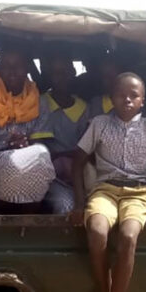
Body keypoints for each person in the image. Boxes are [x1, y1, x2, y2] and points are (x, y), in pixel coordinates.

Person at [70, 72, 146, 292]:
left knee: (128, 236)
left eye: (134, 95)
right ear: (110, 98)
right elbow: (78, 163)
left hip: (139, 193)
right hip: (105, 190)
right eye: (121, 94)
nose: (127, 99)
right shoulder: (99, 124)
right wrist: (78, 203)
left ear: (142, 101)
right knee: (97, 231)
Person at [0, 46, 55, 213]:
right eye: (6, 66)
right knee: (15, 165)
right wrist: (10, 153)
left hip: (29, 166)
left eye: (18, 65)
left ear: (27, 67)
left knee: (41, 155)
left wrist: (25, 148)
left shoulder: (40, 100)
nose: (12, 71)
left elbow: (40, 146)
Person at [42, 54, 86, 213]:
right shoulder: (41, 104)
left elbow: (86, 149)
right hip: (51, 175)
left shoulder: (83, 107)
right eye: (56, 73)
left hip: (79, 172)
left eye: (65, 72)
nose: (61, 78)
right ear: (49, 76)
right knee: (65, 204)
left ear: (73, 73)